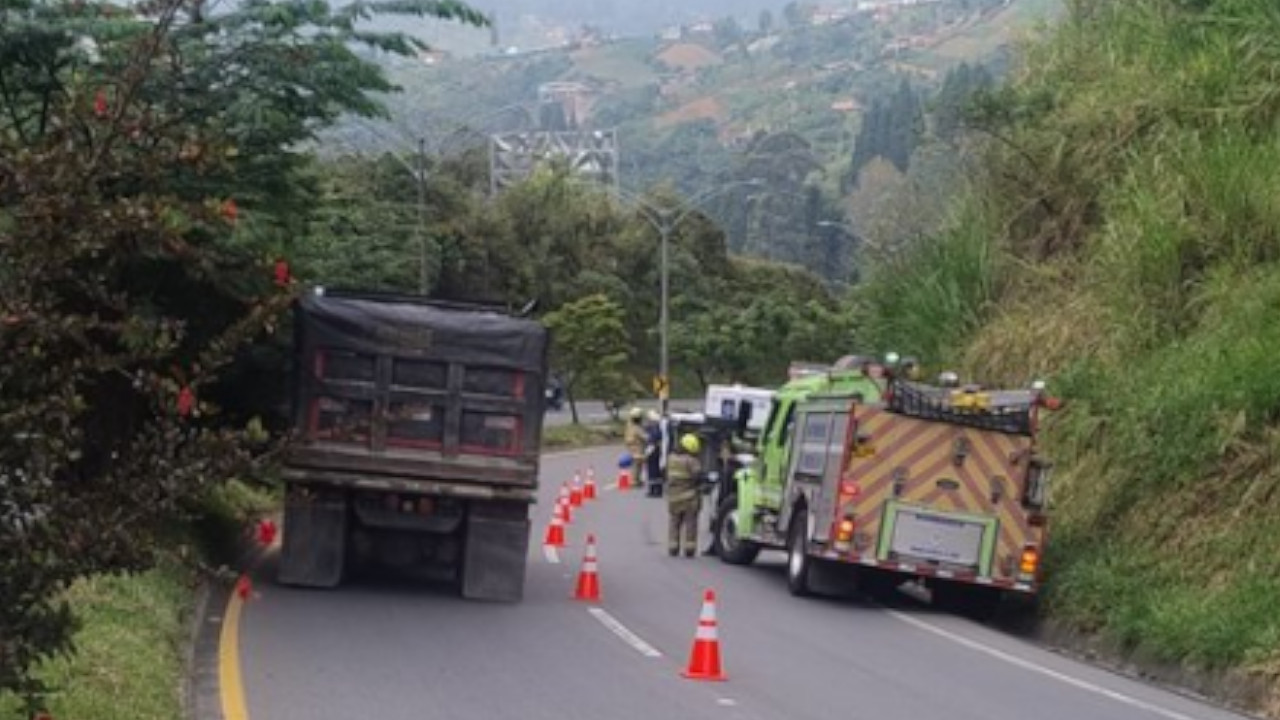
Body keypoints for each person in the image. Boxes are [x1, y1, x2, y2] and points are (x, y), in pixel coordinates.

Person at [666, 433, 704, 558]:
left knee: (674, 522)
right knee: (691, 523)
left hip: (673, 497)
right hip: (689, 497)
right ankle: (689, 549)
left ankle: (673, 547)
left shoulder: (671, 458)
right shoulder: (692, 461)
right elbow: (698, 476)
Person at [624, 407, 647, 486]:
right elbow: (644, 436)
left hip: (632, 445)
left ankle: (637, 479)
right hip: (637, 446)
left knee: (638, 463)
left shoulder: (630, 424)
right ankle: (634, 480)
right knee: (636, 464)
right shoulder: (637, 427)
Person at [644, 410, 663, 497]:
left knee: (652, 471)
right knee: (656, 471)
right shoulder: (659, 426)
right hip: (657, 451)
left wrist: (648, 452)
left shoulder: (654, 428)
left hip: (653, 451)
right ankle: (657, 489)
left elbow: (652, 440)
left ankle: (653, 490)